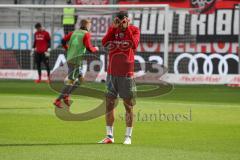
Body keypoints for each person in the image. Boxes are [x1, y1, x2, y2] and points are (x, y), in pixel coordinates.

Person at [98, 11, 140, 145]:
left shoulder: (134, 30)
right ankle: (109, 135)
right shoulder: (113, 29)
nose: (121, 24)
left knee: (128, 106)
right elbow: (104, 42)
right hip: (111, 73)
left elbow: (134, 45)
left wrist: (126, 28)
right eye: (119, 21)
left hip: (127, 74)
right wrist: (113, 29)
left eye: (123, 21)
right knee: (109, 104)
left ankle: (128, 136)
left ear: (128, 20)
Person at [53, 19, 99, 108]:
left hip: (72, 58)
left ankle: (66, 95)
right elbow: (89, 48)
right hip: (76, 61)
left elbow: (63, 41)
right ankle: (58, 100)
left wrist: (67, 49)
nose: (90, 27)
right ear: (86, 25)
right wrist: (96, 49)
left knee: (81, 80)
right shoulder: (86, 34)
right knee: (71, 81)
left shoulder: (73, 32)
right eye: (89, 25)